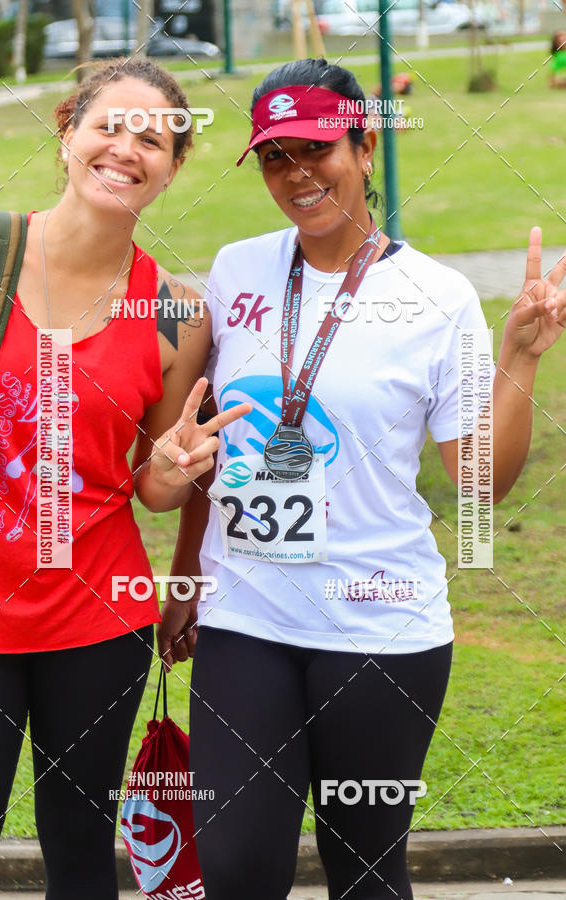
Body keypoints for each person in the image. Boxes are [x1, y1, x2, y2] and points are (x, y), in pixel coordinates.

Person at [155, 57, 566, 900]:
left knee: (367, 870)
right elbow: (191, 448)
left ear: (365, 143)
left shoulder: (437, 296)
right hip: (247, 615)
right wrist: (187, 572)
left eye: (316, 148)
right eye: (275, 156)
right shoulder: (237, 270)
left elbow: (478, 482)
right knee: (235, 869)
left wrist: (520, 355)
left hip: (380, 629)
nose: (296, 174)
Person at [0, 57, 248, 899]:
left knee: (82, 851)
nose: (127, 149)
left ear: (171, 168)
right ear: (67, 134)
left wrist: (169, 468)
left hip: (98, 615)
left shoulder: (174, 312)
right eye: (108, 126)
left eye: (154, 140)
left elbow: (159, 488)